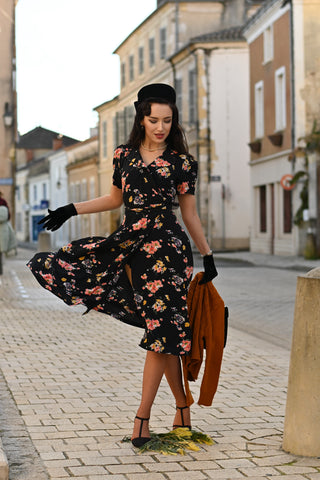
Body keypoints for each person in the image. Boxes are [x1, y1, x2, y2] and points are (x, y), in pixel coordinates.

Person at [27, 83, 218, 448]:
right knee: (164, 334)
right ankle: (182, 409)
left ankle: (141, 417)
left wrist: (207, 254)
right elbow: (115, 199)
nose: (160, 127)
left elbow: (189, 213)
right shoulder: (123, 156)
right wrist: (72, 208)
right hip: (130, 247)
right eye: (153, 120)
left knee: (161, 334)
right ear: (141, 118)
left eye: (167, 120)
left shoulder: (182, 163)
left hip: (168, 251)